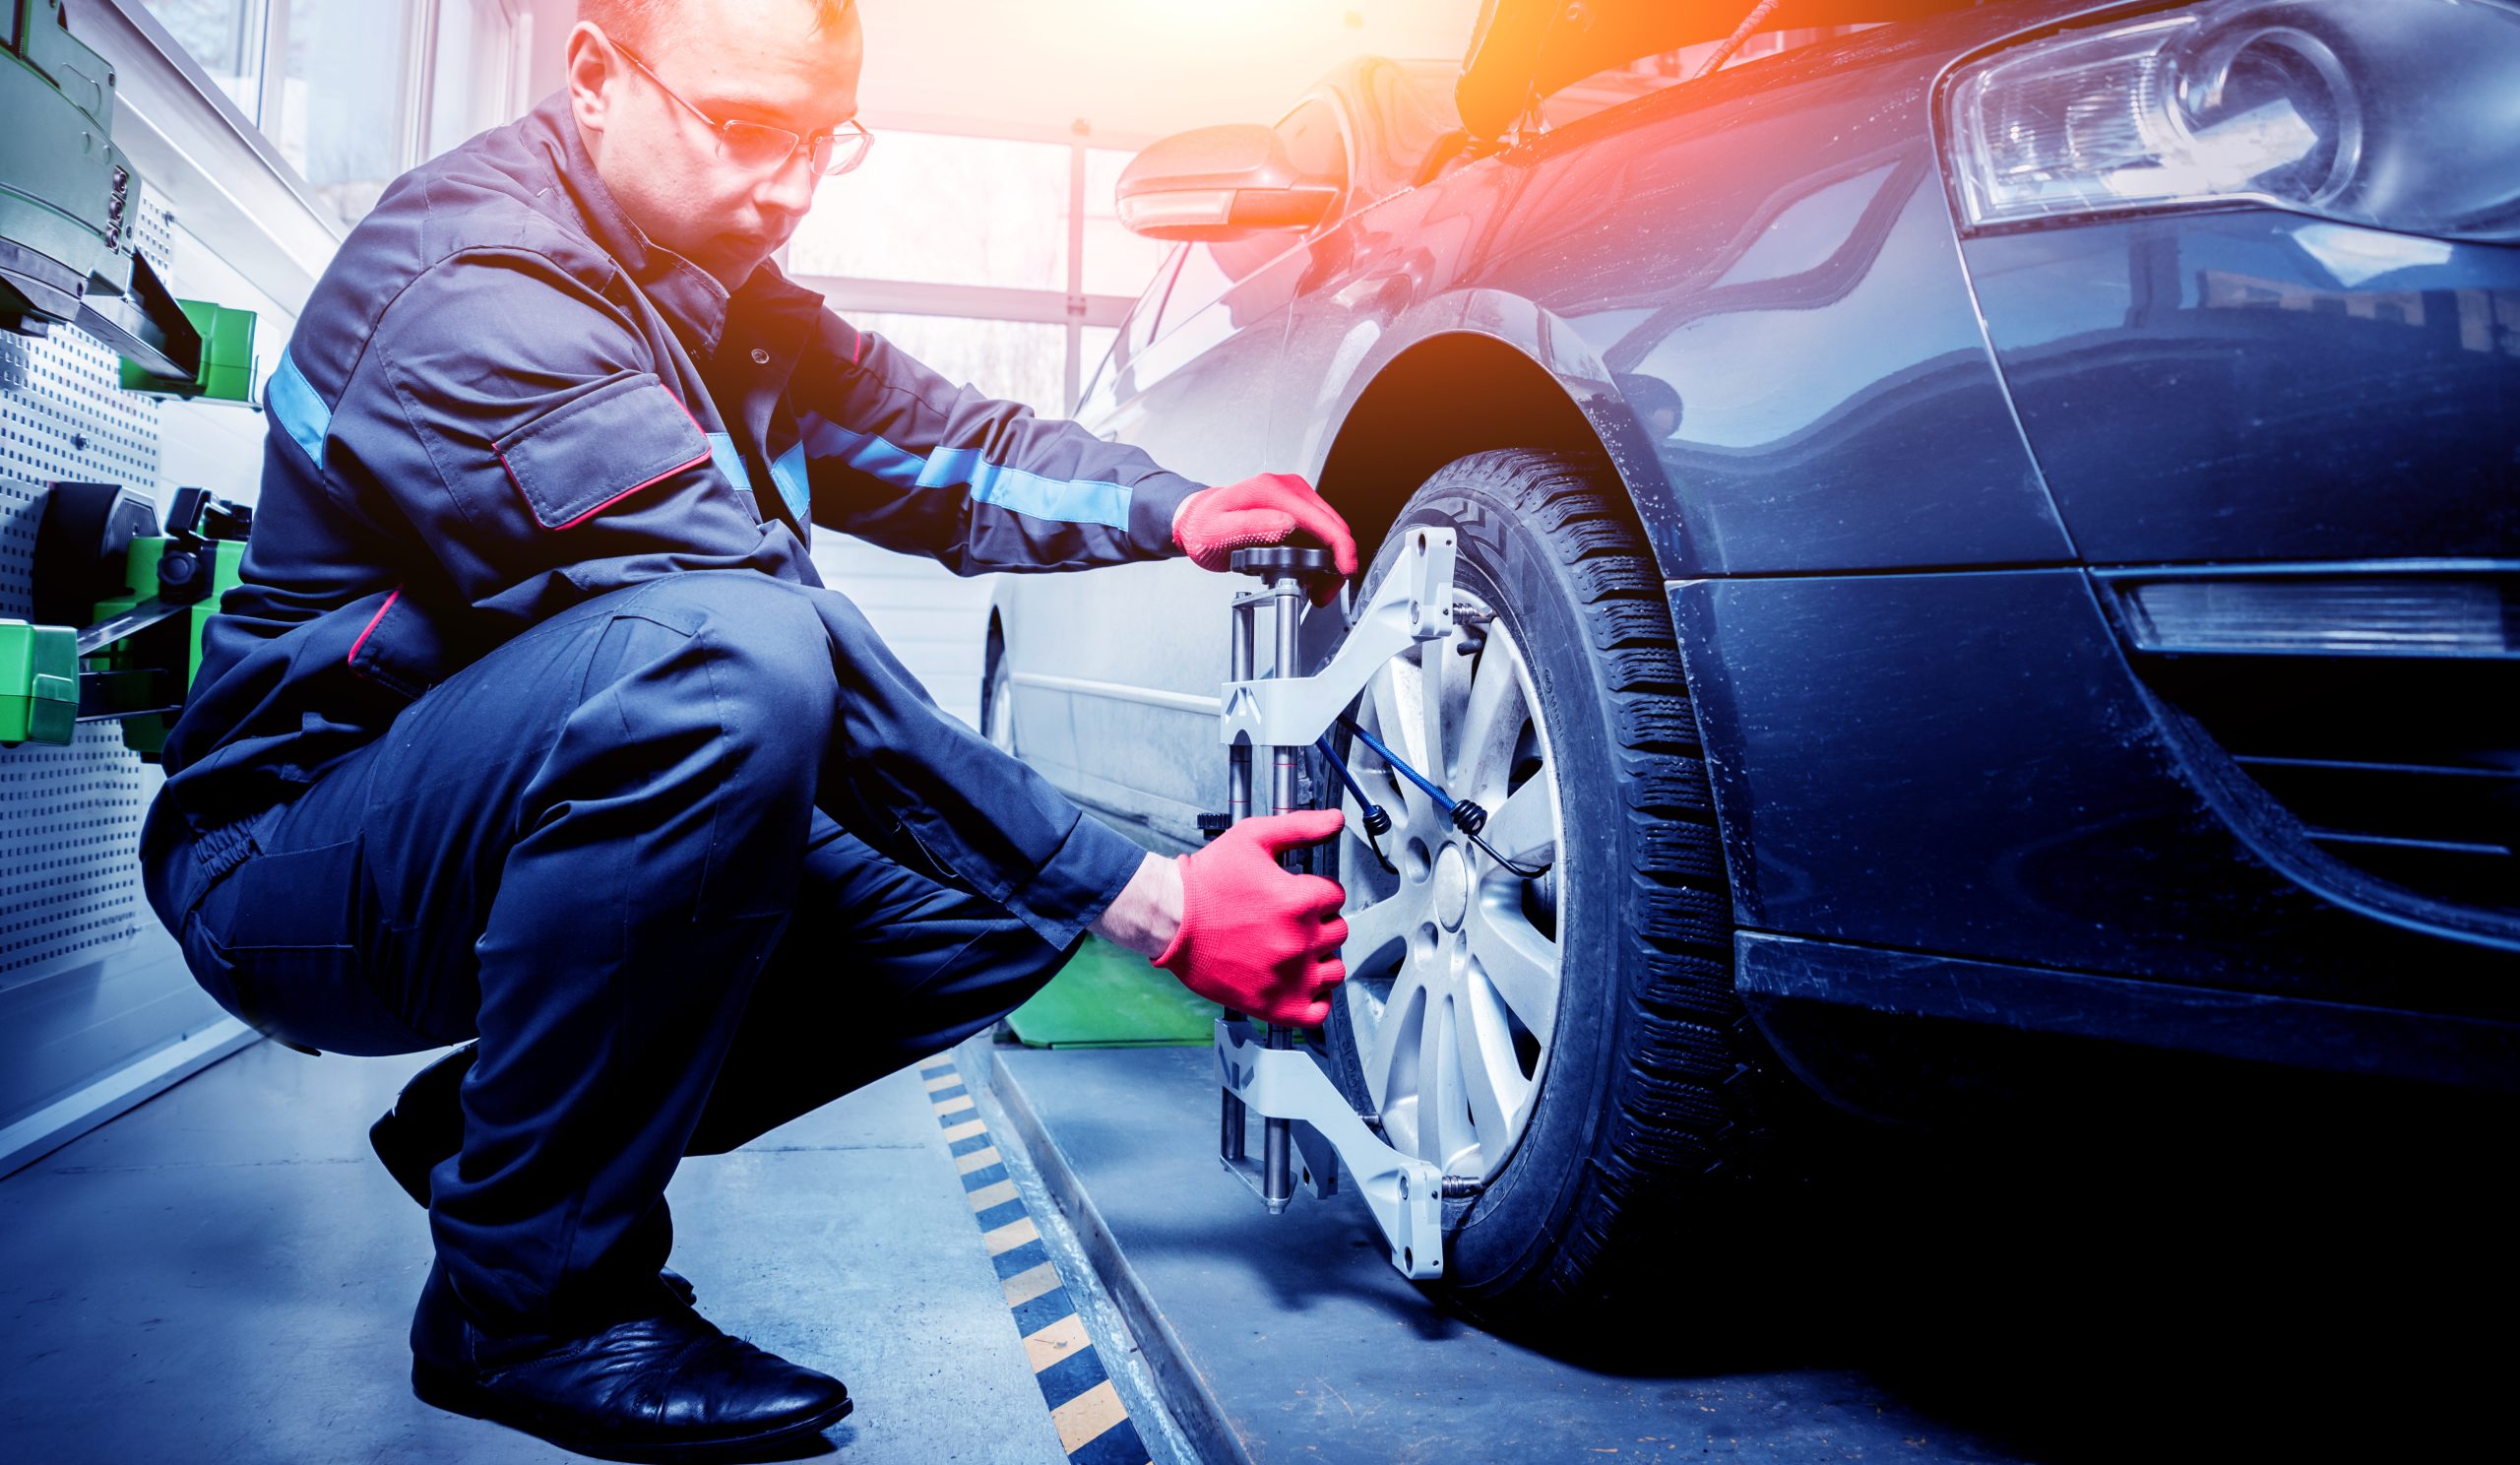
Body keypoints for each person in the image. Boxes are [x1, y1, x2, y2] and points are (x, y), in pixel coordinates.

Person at [133, 0, 1357, 1456]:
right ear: (595, 77)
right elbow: (758, 638)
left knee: (983, 913)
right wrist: (1152, 903)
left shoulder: (710, 281)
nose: (788, 184)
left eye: (822, 137)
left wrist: (1179, 505)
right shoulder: (474, 286)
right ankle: (532, 1313)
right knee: (740, 654)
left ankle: (493, 1144)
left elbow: (946, 445)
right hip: (292, 864)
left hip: (490, 822)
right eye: (745, 130)